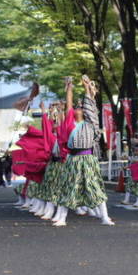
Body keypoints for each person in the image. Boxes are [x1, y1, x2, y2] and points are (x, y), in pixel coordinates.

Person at [53, 75, 114, 227]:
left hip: (88, 158)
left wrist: (87, 87)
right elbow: (68, 105)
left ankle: (105, 217)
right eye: (77, 108)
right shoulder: (69, 124)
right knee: (68, 187)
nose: (79, 109)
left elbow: (91, 107)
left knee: (95, 187)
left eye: (81, 107)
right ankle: (61, 218)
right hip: (73, 159)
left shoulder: (91, 124)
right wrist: (69, 87)